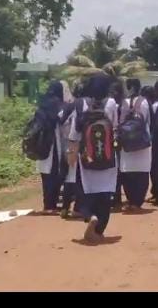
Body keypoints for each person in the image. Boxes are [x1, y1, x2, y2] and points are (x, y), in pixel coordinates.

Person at [68, 74, 119, 243]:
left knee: (86, 190)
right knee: (105, 194)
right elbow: (115, 128)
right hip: (108, 157)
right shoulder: (111, 103)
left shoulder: (82, 104)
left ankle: (90, 216)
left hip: (87, 157)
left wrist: (72, 154)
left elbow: (75, 133)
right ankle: (98, 230)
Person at [119, 78, 152, 212]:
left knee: (127, 172)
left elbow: (120, 122)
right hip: (142, 142)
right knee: (142, 172)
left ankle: (130, 200)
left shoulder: (124, 103)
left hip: (126, 142)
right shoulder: (144, 102)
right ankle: (137, 203)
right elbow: (149, 120)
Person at [36, 81, 65, 215]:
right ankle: (51, 205)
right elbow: (61, 118)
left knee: (46, 175)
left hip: (41, 144)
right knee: (55, 173)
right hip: (53, 143)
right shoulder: (57, 104)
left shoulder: (42, 103)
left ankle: (48, 204)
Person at [60, 82, 85, 219]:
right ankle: (77, 208)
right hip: (78, 144)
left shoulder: (68, 105)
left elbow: (60, 119)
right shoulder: (83, 105)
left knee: (69, 177)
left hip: (66, 144)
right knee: (79, 177)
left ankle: (64, 207)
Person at [109, 80, 125, 211]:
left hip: (117, 139)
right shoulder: (113, 104)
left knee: (117, 168)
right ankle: (115, 197)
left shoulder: (119, 105)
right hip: (114, 138)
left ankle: (117, 197)